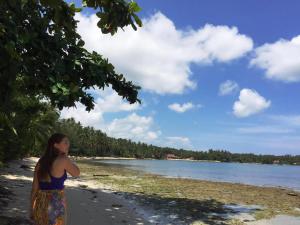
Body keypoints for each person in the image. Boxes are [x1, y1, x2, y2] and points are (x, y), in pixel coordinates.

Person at [30, 133, 80, 225]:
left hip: (40, 203)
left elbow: (34, 189)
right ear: (56, 145)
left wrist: (31, 209)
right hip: (55, 203)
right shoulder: (63, 160)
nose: (68, 145)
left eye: (68, 143)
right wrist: (66, 156)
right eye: (65, 142)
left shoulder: (41, 162)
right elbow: (76, 173)